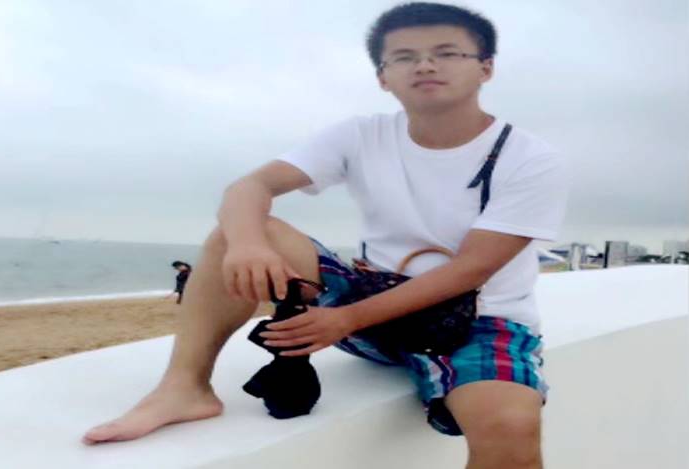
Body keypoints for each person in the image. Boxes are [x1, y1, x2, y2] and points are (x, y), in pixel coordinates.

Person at [83, 3, 570, 468]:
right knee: (244, 229)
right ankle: (185, 387)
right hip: (371, 301)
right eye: (404, 57)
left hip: (476, 322)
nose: (425, 65)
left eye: (447, 53)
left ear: (485, 68)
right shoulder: (362, 134)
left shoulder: (529, 158)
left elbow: (472, 268)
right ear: (383, 77)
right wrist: (249, 245)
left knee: (511, 432)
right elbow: (249, 187)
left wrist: (345, 319)